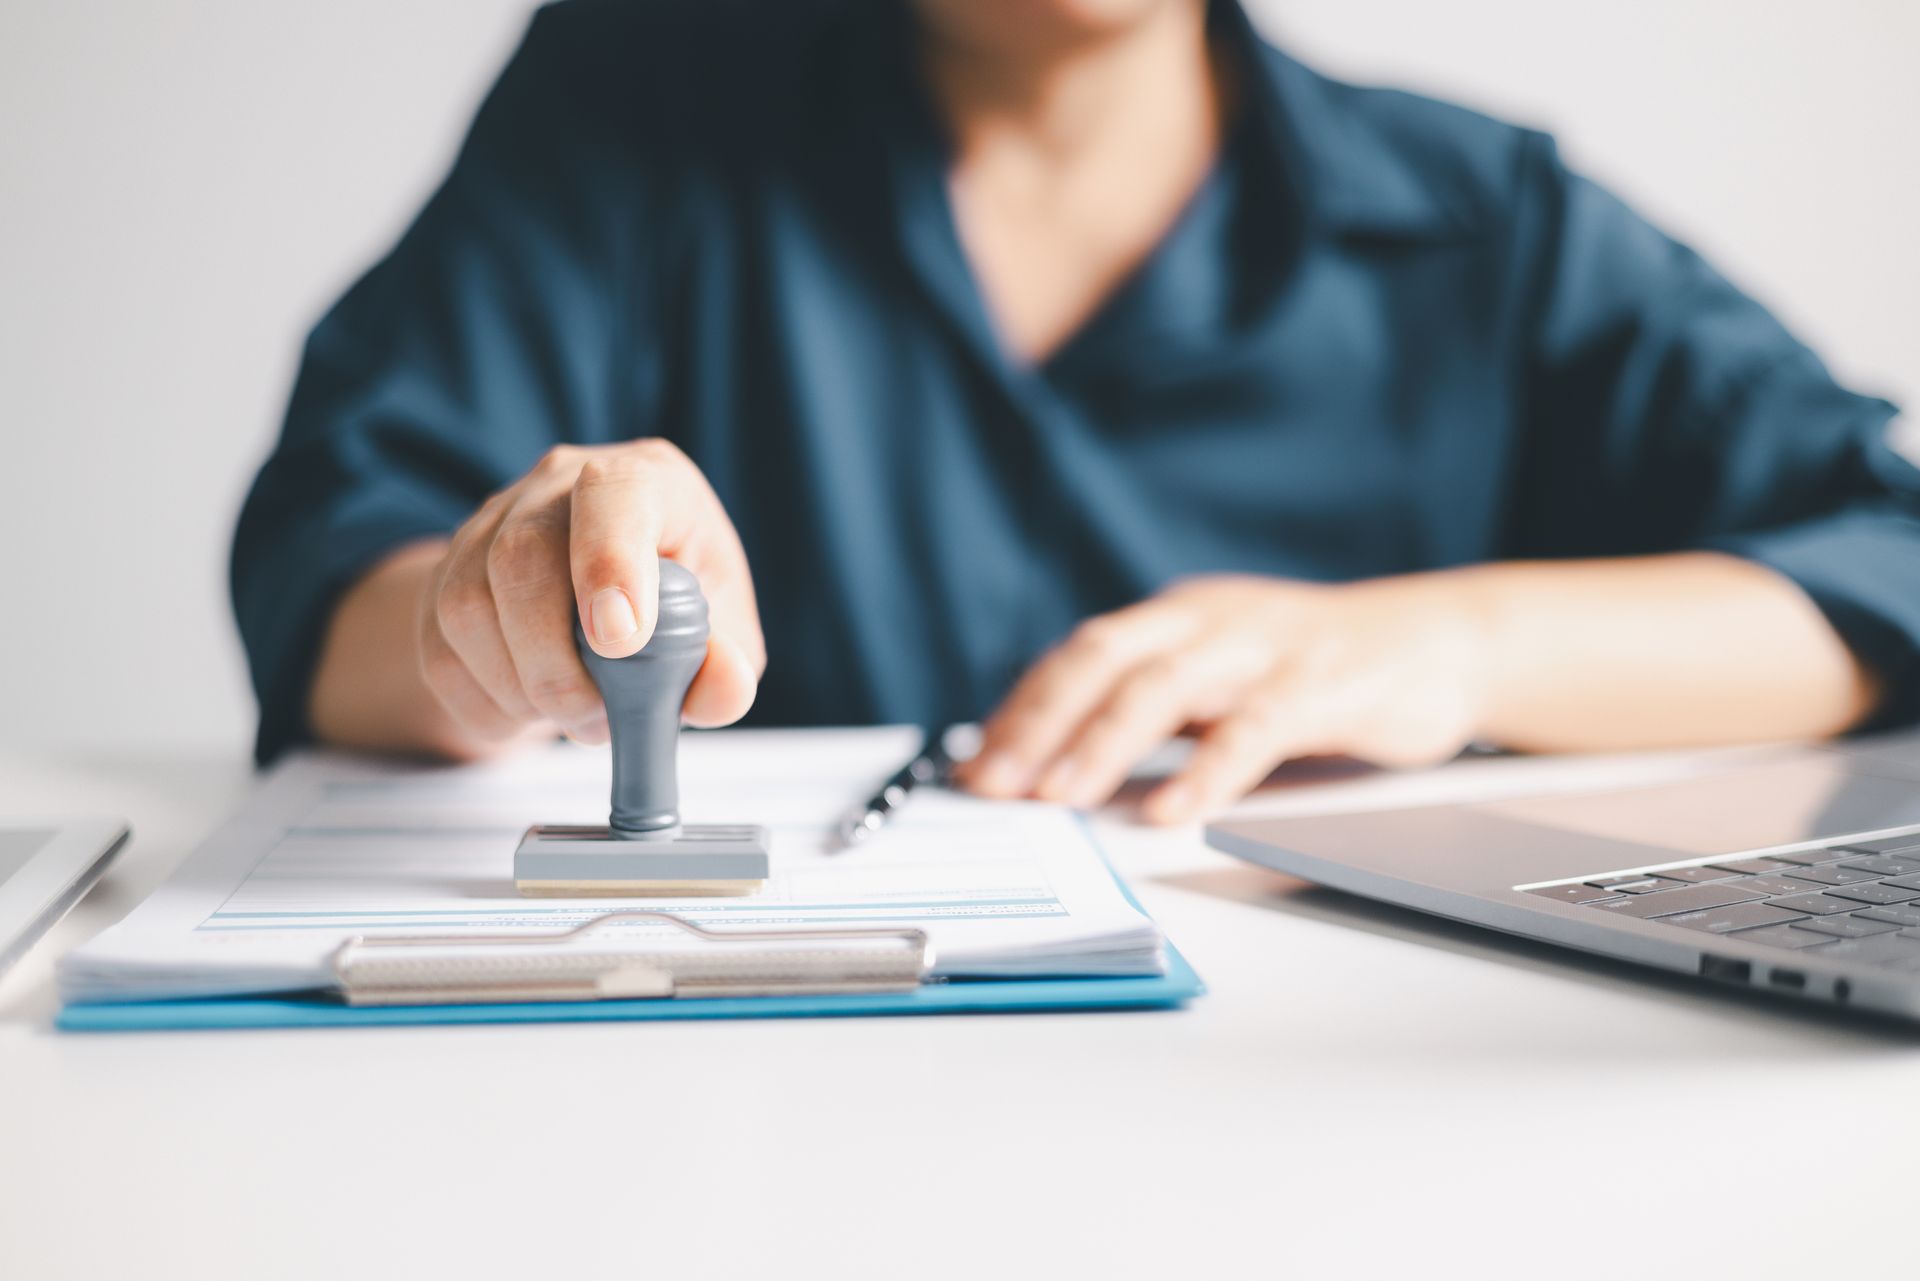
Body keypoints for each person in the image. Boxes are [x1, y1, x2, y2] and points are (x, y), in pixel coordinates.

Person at [233, 0, 1920, 824]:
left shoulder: (1489, 221)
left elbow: (1889, 550)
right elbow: (332, 575)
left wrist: (1458, 645)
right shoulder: (627, 107)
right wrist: (494, 613)